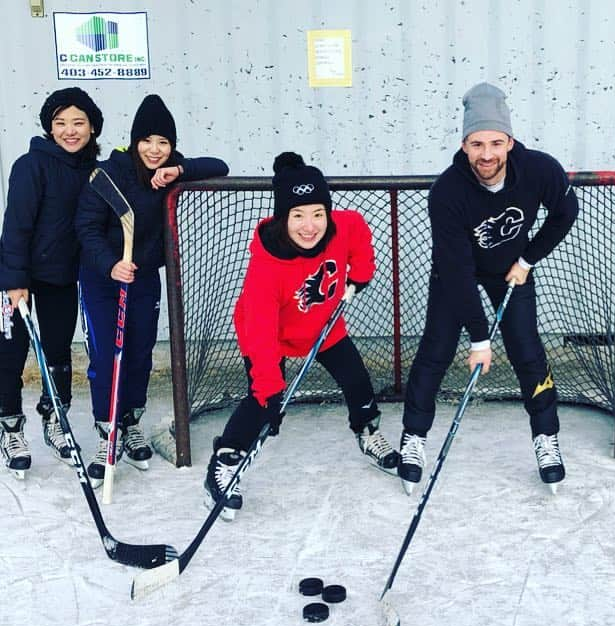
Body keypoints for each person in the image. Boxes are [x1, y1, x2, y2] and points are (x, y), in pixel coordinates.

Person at [399, 82, 579, 495]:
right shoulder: (447, 191)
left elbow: (565, 212)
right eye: (477, 143)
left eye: (496, 142)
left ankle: (546, 437)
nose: (487, 154)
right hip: (455, 275)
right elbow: (458, 270)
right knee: (436, 351)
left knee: (528, 351)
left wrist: (527, 259)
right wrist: (479, 339)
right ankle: (414, 438)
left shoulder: (539, 170)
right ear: (464, 145)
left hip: (510, 271)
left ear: (510, 141)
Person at [203, 152, 398, 521]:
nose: (309, 226)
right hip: (269, 337)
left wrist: (361, 274)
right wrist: (269, 386)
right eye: (298, 216)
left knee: (357, 380)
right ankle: (225, 459)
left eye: (317, 214)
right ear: (283, 218)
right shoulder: (265, 269)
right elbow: (260, 335)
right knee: (262, 405)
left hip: (323, 328)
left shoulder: (344, 225)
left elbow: (359, 238)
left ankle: (367, 431)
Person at [74, 94, 228, 488]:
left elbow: (220, 167)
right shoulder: (109, 174)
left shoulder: (169, 169)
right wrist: (111, 264)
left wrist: (180, 169)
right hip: (103, 277)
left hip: (143, 277)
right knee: (108, 355)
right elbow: (87, 228)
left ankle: (130, 422)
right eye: (147, 141)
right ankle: (107, 431)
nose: (154, 149)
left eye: (163, 142)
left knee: (140, 352)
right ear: (134, 141)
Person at [0, 88, 104, 479]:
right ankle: (11, 427)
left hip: (61, 276)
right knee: (10, 355)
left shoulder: (97, 171)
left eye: (78, 122)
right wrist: (13, 281)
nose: (69, 131)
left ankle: (55, 418)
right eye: (60, 123)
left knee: (58, 351)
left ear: (92, 127)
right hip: (16, 279)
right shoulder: (32, 165)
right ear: (49, 127)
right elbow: (16, 227)